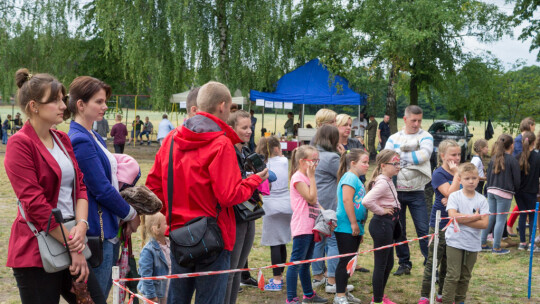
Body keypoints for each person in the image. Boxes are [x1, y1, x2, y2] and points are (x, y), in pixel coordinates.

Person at [145, 81, 268, 304]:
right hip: (215, 236)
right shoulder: (221, 144)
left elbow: (154, 187)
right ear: (222, 106)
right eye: (230, 108)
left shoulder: (171, 139)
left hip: (179, 234)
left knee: (177, 299)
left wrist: (172, 215)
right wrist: (253, 181)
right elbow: (229, 195)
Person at [5, 68, 105, 304]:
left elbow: (81, 186)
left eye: (62, 98)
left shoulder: (62, 139)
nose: (63, 105)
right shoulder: (19, 145)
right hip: (37, 251)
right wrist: (75, 249)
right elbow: (36, 206)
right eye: (56, 100)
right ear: (34, 106)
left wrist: (81, 225)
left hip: (70, 237)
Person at [67, 76, 141, 296]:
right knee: (96, 297)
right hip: (96, 231)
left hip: (108, 227)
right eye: (98, 102)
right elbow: (101, 189)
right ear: (80, 104)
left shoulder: (94, 136)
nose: (105, 106)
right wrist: (131, 214)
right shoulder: (80, 139)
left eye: (104, 101)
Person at [384, 105, 433, 275]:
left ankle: (430, 262)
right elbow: (386, 157)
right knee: (399, 229)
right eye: (413, 120)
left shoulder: (426, 136)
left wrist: (398, 157)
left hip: (417, 191)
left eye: (419, 120)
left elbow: (424, 156)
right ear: (405, 119)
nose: (417, 124)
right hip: (396, 191)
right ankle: (404, 263)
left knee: (423, 229)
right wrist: (410, 155)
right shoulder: (393, 137)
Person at [418, 140, 461, 304]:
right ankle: (424, 294)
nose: (457, 158)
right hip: (440, 224)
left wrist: (453, 196)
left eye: (458, 155)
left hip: (456, 224)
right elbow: (450, 192)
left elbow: (463, 192)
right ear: (443, 156)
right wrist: (457, 179)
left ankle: (442, 294)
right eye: (453, 155)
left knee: (449, 262)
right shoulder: (439, 174)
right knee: (434, 260)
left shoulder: (460, 172)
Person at [310, 125, 352, 294]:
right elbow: (347, 176)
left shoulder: (312, 154)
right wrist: (344, 156)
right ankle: (332, 279)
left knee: (318, 239)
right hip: (330, 205)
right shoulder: (332, 158)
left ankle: (318, 275)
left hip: (315, 202)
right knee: (333, 240)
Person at [224, 110, 260, 304]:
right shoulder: (229, 152)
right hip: (234, 216)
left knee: (238, 268)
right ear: (232, 129)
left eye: (250, 127)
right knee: (230, 270)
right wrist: (254, 179)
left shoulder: (245, 151)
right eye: (244, 127)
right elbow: (232, 186)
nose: (249, 131)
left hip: (249, 213)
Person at [441, 163, 489, 304]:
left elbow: (484, 224)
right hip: (455, 241)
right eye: (467, 178)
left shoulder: (482, 200)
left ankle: (460, 300)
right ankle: (448, 301)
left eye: (474, 178)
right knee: (453, 275)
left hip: (472, 243)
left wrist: (462, 219)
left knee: (465, 276)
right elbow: (452, 216)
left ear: (478, 179)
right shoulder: (455, 196)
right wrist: (474, 217)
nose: (471, 181)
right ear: (460, 179)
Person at [286, 145, 327, 304]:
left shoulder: (306, 177)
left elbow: (315, 202)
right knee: (296, 263)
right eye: (313, 161)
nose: (316, 164)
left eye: (317, 160)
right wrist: (312, 177)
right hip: (302, 226)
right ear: (303, 161)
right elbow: (311, 198)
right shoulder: (298, 178)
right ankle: (291, 298)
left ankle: (308, 295)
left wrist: (326, 215)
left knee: (305, 264)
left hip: (311, 226)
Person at [363, 149, 401, 304]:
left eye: (399, 163)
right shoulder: (383, 183)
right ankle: (377, 300)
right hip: (382, 225)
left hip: (389, 224)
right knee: (381, 264)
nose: (398, 166)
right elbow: (366, 201)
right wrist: (382, 211)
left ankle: (379, 296)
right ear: (384, 165)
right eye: (395, 163)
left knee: (389, 263)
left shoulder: (388, 180)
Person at [333, 149, 369, 304]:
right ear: (353, 163)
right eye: (364, 162)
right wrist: (354, 223)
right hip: (346, 226)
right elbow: (347, 201)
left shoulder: (357, 179)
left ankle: (344, 291)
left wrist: (360, 229)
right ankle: (339, 295)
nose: (367, 165)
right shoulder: (349, 177)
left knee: (351, 261)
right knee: (345, 260)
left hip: (355, 227)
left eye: (368, 162)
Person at [257, 136, 292, 292]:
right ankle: (280, 276)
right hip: (286, 202)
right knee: (282, 241)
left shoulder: (263, 165)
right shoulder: (284, 161)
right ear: (277, 148)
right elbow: (283, 157)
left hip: (271, 204)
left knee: (274, 243)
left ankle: (276, 280)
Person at [480, 134, 520, 254]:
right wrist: (515, 190)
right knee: (500, 220)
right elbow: (517, 180)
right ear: (511, 145)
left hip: (491, 191)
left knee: (491, 217)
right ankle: (496, 247)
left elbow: (488, 176)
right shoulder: (512, 160)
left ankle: (482, 243)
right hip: (504, 193)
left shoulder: (493, 158)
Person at [507, 117, 536, 236]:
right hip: (525, 182)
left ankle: (522, 237)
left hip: (522, 184)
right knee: (524, 210)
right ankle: (510, 225)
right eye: (534, 125)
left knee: (523, 209)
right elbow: (522, 159)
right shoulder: (520, 140)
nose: (535, 127)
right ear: (530, 125)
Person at [514, 132, 540, 252]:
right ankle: (531, 243)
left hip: (519, 192)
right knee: (532, 216)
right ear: (534, 142)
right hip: (531, 191)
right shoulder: (537, 156)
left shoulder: (517, 156)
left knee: (523, 215)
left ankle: (522, 242)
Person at [138, 213, 171, 304]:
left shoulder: (170, 246)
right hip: (156, 295)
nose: (169, 225)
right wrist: (151, 296)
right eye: (166, 223)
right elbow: (146, 275)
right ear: (156, 229)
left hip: (168, 292)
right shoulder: (148, 251)